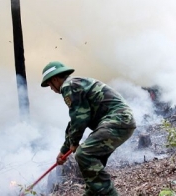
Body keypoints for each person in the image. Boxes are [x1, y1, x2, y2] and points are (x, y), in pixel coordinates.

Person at [41, 61, 136, 196]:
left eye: (49, 84)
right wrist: (64, 150)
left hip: (117, 120)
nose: (51, 88)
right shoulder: (76, 84)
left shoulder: (69, 86)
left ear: (55, 79)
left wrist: (74, 143)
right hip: (121, 121)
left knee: (84, 154)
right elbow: (74, 122)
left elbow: (80, 117)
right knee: (93, 173)